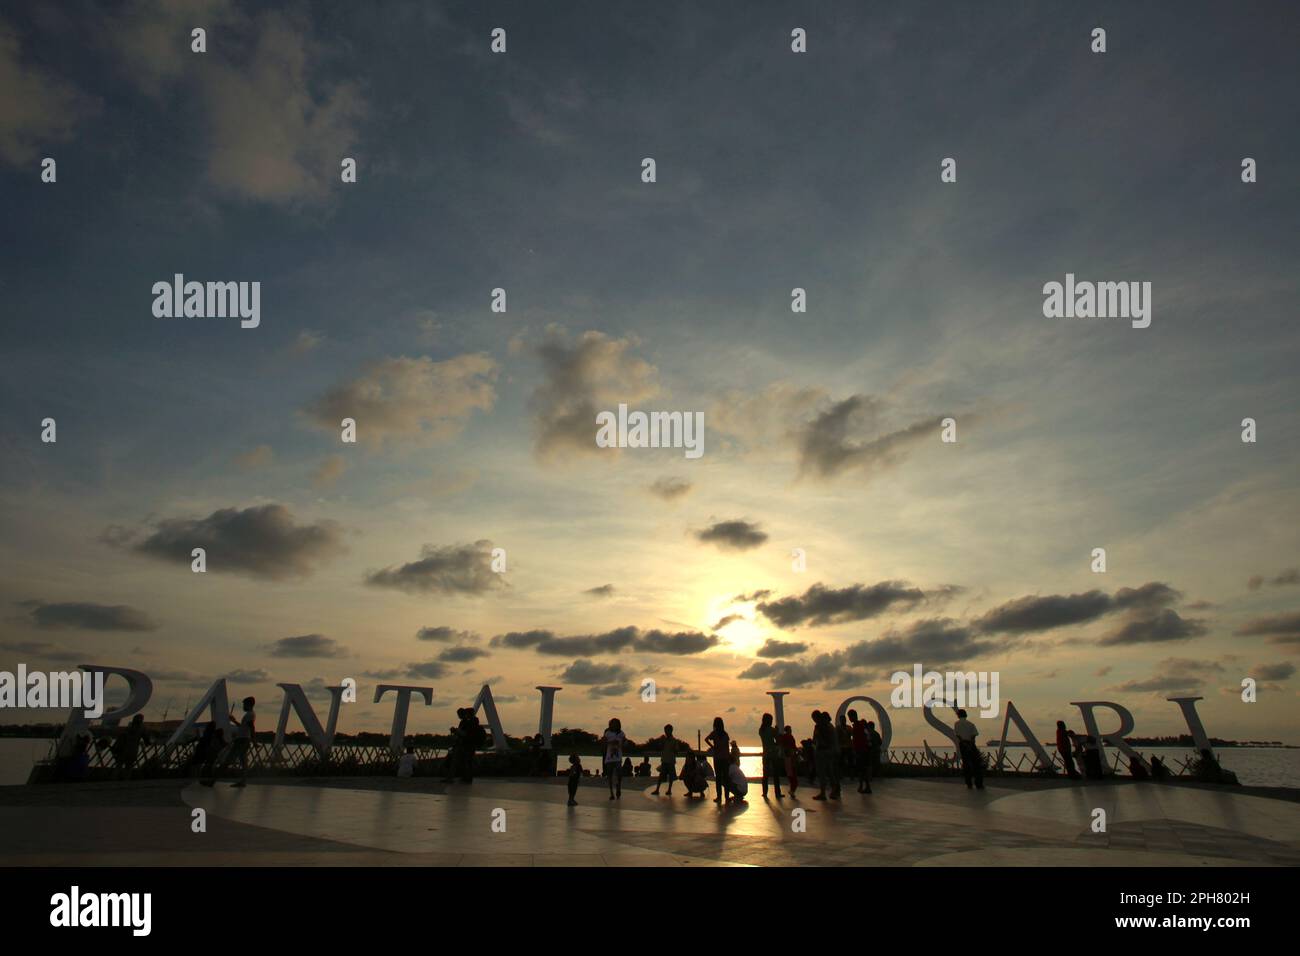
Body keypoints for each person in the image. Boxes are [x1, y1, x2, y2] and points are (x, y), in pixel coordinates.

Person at [203, 696, 256, 788]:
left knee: (227, 761)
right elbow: (244, 727)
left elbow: (252, 728)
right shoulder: (251, 714)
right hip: (244, 740)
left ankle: (212, 781)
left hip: (241, 741)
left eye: (244, 704)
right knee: (243, 763)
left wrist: (254, 741)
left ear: (249, 704)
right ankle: (243, 781)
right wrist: (234, 721)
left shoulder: (249, 715)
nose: (243, 706)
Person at [812, 710, 840, 800]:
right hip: (829, 751)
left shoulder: (822, 727)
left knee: (823, 773)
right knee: (829, 772)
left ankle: (825, 792)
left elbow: (819, 739)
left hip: (824, 752)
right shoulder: (829, 726)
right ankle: (832, 791)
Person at [953, 708, 984, 790]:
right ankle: (978, 783)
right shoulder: (971, 724)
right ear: (965, 715)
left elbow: (958, 735)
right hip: (971, 743)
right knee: (976, 764)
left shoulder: (956, 724)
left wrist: (963, 743)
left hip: (963, 744)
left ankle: (969, 783)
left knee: (966, 763)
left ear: (958, 715)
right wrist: (971, 744)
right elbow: (974, 735)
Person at [704, 717, 732, 804]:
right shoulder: (725, 734)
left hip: (717, 758)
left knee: (718, 778)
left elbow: (706, 739)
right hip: (724, 758)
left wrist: (713, 747)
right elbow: (727, 748)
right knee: (726, 778)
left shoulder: (714, 733)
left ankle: (719, 797)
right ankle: (726, 797)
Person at [111, 714, 146, 779]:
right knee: (128, 767)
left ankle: (113, 779)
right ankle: (125, 780)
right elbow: (147, 740)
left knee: (119, 765)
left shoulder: (128, 728)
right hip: (132, 751)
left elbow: (120, 738)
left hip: (123, 750)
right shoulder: (141, 729)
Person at [758, 713, 783, 799]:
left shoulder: (761, 730)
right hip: (773, 754)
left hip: (765, 754)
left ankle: (764, 792)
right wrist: (777, 731)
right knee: (776, 774)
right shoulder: (772, 730)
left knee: (765, 775)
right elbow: (778, 741)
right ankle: (777, 793)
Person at [849, 709, 873, 793]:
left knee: (862, 769)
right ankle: (862, 786)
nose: (850, 719)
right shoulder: (858, 726)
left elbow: (860, 738)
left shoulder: (859, 726)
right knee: (861, 769)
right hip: (861, 750)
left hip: (861, 750)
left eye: (850, 717)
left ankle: (866, 786)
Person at [603, 718, 626, 799]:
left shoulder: (621, 733)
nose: (614, 725)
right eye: (612, 723)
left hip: (618, 756)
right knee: (609, 775)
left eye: (616, 724)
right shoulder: (607, 733)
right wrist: (611, 742)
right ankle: (611, 793)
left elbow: (624, 743)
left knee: (619, 773)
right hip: (609, 757)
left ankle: (618, 787)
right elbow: (604, 743)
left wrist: (620, 743)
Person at [653, 724, 679, 796]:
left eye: (667, 730)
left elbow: (677, 751)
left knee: (671, 777)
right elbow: (659, 748)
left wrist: (674, 748)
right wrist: (661, 742)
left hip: (670, 761)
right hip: (664, 760)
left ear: (671, 731)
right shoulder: (664, 740)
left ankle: (669, 790)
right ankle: (657, 790)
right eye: (665, 730)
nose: (666, 732)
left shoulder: (674, 740)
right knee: (661, 776)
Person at [779, 724, 798, 796]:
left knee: (791, 774)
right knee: (792, 775)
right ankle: (792, 790)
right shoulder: (788, 737)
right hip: (790, 757)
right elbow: (792, 746)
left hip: (789, 757)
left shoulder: (785, 737)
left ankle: (792, 790)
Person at [836, 711, 853, 782]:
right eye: (842, 720)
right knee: (840, 763)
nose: (843, 721)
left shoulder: (849, 728)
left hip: (848, 747)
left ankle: (851, 775)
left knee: (850, 762)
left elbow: (853, 734)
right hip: (841, 747)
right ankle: (840, 775)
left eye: (844, 719)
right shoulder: (838, 728)